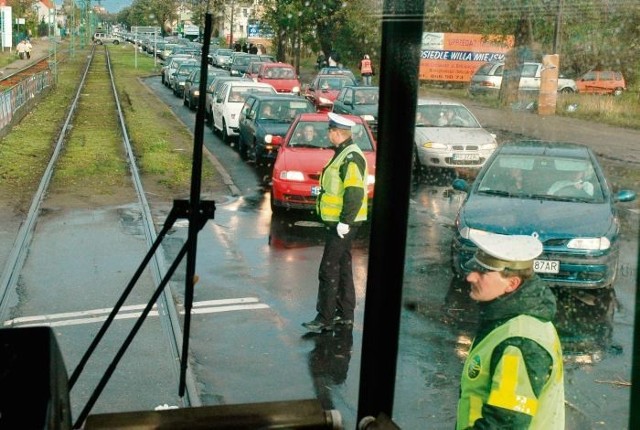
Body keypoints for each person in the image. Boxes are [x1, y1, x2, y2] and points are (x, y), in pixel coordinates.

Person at [457, 230, 565, 429]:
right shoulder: (511, 319)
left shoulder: (520, 341)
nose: (471, 277)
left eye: (482, 273)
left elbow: (504, 424)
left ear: (512, 283)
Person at [302, 113, 369, 333]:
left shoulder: (350, 157)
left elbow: (354, 191)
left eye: (331, 131)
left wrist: (345, 221)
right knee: (342, 267)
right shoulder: (343, 153)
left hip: (343, 224)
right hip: (340, 222)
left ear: (338, 133)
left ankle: (325, 318)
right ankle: (345, 313)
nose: (328, 134)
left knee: (328, 269)